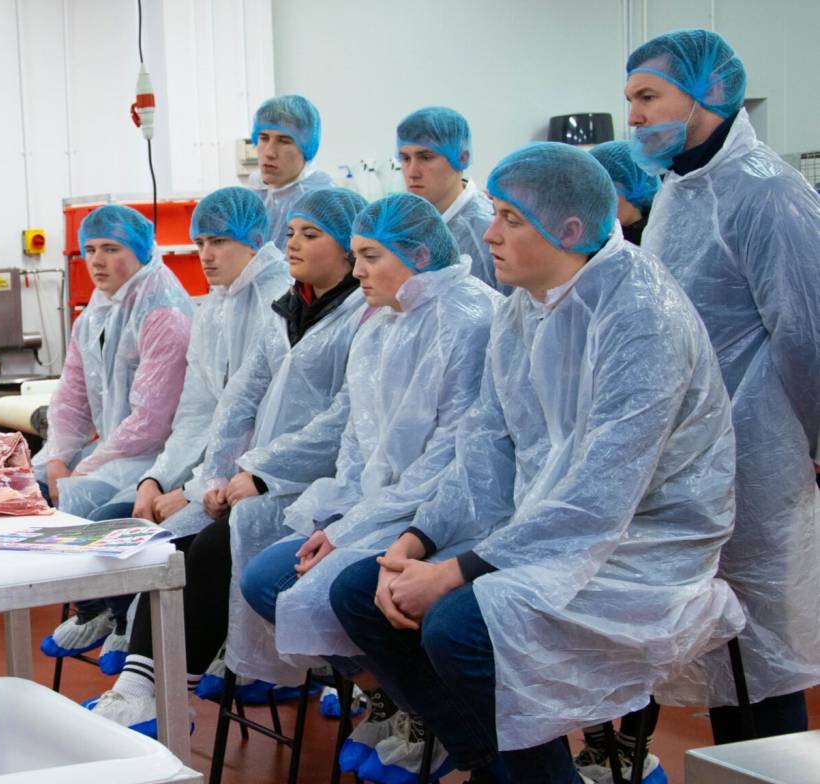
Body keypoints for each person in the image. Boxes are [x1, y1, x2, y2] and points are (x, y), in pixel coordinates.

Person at [323, 142, 745, 784]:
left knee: (459, 624)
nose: (488, 234)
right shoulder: (524, 306)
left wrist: (451, 574)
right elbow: (484, 450)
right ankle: (491, 764)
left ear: (568, 230)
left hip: (645, 541)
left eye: (510, 219)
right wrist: (417, 540)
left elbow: (601, 497)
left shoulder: (640, 316)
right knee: (358, 591)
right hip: (546, 523)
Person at [87, 188, 369, 735]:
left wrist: (258, 474)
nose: (294, 244)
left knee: (217, 546)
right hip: (257, 475)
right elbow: (235, 400)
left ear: (348, 250)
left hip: (319, 483)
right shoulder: (287, 306)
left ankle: (163, 692)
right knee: (173, 540)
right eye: (292, 233)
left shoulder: (360, 315)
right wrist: (212, 480)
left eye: (310, 236)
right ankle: (142, 687)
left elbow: (341, 422)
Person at [239, 192, 500, 781]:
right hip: (379, 507)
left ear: (418, 253)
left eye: (370, 256)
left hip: (446, 515)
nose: (357, 272)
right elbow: (358, 438)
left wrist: (357, 528)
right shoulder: (381, 322)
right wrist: (340, 518)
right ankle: (393, 700)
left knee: (335, 591)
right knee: (268, 582)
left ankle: (440, 723)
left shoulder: (469, 319)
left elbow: (455, 457)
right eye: (355, 255)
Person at [624, 28, 820, 742]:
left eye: (648, 96)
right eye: (631, 100)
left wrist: (815, 441)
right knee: (721, 645)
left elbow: (808, 333)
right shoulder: (679, 189)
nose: (634, 116)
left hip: (757, 449)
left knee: (759, 647)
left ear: (710, 92)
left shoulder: (768, 192)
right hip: (691, 452)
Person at [40, 188, 288, 671]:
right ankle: (120, 624)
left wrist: (192, 489)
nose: (206, 255)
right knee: (63, 498)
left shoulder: (265, 307)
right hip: (186, 466)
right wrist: (152, 477)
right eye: (200, 243)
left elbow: (248, 421)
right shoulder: (210, 307)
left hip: (239, 477)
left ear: (255, 240)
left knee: (119, 523)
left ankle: (140, 651)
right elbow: (197, 413)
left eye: (218, 240)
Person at [575, 136, 666, 783]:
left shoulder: (648, 268)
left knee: (631, 614)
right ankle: (598, 743)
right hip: (598, 462)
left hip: (650, 475)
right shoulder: (587, 270)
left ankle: (629, 745)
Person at [32, 205, 194, 521]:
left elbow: (152, 421)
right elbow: (71, 400)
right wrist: (57, 458)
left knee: (82, 510)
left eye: (111, 249)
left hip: (154, 459)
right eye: (90, 250)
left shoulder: (165, 315)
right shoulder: (96, 314)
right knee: (27, 489)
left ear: (142, 252)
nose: (96, 260)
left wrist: (84, 469)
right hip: (113, 453)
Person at [395, 106, 505, 294]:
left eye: (426, 157)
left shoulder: (485, 231)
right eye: (405, 158)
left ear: (462, 158)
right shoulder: (405, 222)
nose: (412, 172)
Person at [248, 95, 335, 249]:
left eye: (284, 141)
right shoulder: (256, 191)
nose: (269, 152)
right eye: (264, 138)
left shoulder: (321, 200)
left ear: (306, 147)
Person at [588, 140, 661, 245]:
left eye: (604, 190)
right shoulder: (591, 245)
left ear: (635, 187)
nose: (592, 201)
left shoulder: (658, 245)